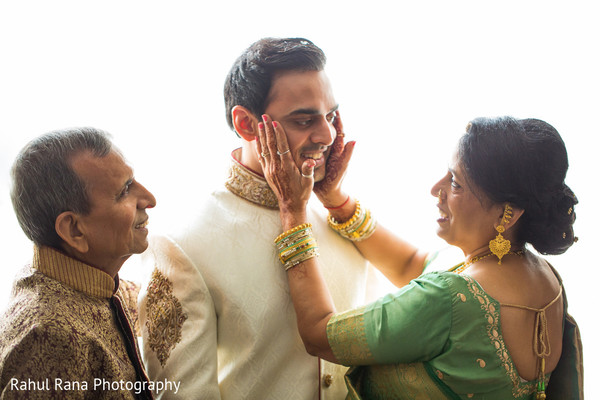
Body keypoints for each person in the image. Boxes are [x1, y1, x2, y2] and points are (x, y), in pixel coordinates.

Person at [256, 116, 583, 399]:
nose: (435, 189)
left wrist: (293, 211)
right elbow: (411, 264)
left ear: (507, 214)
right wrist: (336, 200)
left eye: (455, 183)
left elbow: (319, 334)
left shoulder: (448, 299)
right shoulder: (545, 277)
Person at [138, 37, 380, 399]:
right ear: (246, 124)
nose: (328, 135)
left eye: (331, 116)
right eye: (303, 120)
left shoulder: (341, 215)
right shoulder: (183, 244)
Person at [0, 128, 157, 399]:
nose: (149, 199)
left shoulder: (94, 279)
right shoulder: (47, 339)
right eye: (124, 192)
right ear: (73, 230)